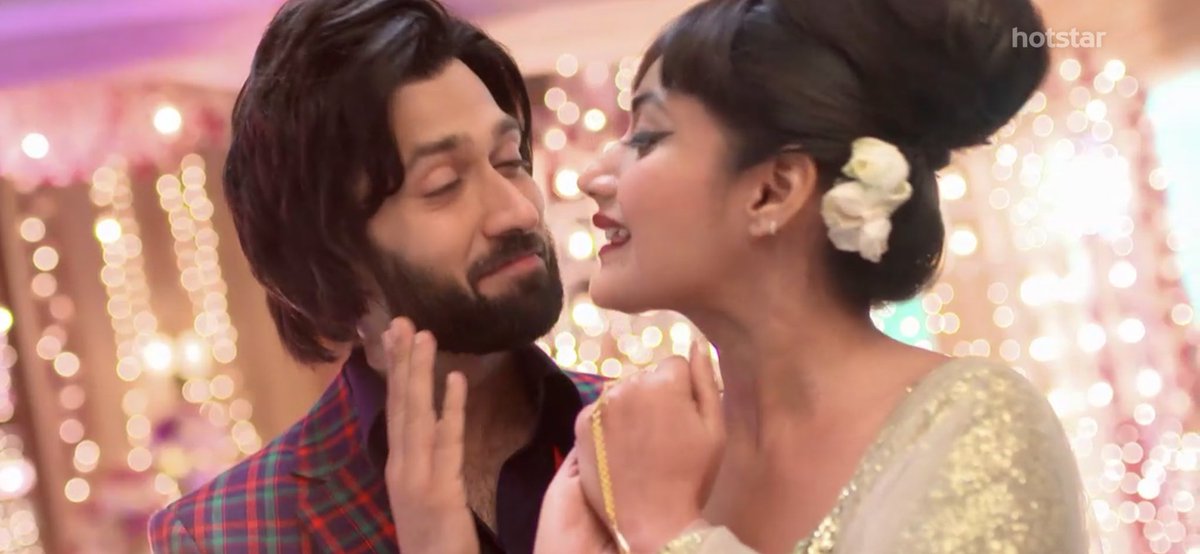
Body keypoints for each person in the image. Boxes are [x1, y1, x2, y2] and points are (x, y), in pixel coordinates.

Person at [541, 0, 1093, 552]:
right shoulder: (658, 449)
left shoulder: (975, 422)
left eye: (646, 138)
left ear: (773, 190)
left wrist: (664, 528)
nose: (593, 177)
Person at [146, 0, 604, 552]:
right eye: (443, 184)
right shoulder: (228, 535)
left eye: (510, 161)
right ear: (330, 253)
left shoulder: (641, 433)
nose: (519, 211)